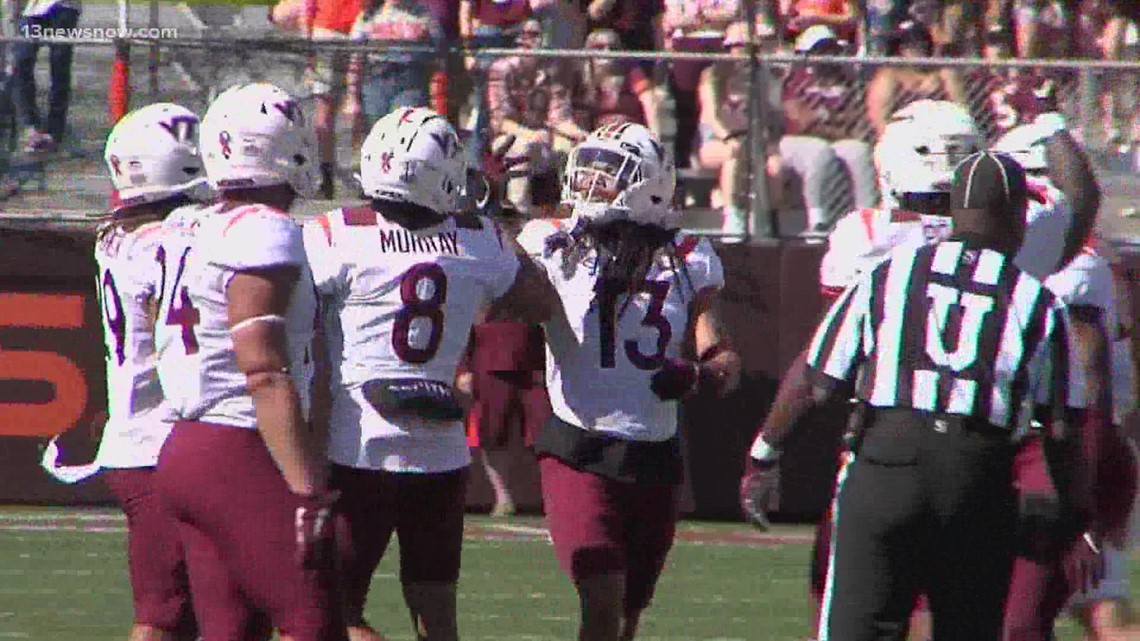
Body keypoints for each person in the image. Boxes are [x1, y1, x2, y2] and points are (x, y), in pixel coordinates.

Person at [753, 151, 1097, 641]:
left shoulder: (889, 274)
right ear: (1016, 216)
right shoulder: (1036, 300)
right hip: (977, 480)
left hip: (886, 466)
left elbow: (816, 379)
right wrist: (1078, 520)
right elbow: (1063, 428)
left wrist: (764, 454)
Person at [302, 106, 554, 641]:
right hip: (440, 449)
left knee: (333, 614)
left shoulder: (334, 233)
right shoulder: (480, 240)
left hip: (360, 446)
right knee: (437, 619)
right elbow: (540, 301)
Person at [507, 122, 742, 641]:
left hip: (654, 453)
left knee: (629, 614)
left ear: (650, 183)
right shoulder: (551, 240)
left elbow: (724, 361)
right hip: (579, 445)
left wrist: (699, 375)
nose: (589, 180)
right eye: (586, 166)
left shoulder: (688, 255)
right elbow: (496, 287)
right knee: (602, 602)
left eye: (607, 172)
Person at [152, 82, 345, 641]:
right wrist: (307, 488)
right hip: (237, 447)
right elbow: (261, 370)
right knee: (314, 625)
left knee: (231, 631)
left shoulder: (187, 226)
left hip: (186, 446)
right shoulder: (265, 229)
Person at [93, 103, 207, 641]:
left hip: (147, 440)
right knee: (161, 617)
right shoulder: (162, 244)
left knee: (188, 614)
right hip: (155, 444)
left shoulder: (116, 236)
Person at [12, 0, 81, 152]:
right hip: (31, 10)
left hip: (64, 7)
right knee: (21, 60)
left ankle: (55, 131)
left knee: (60, 65)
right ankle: (30, 126)